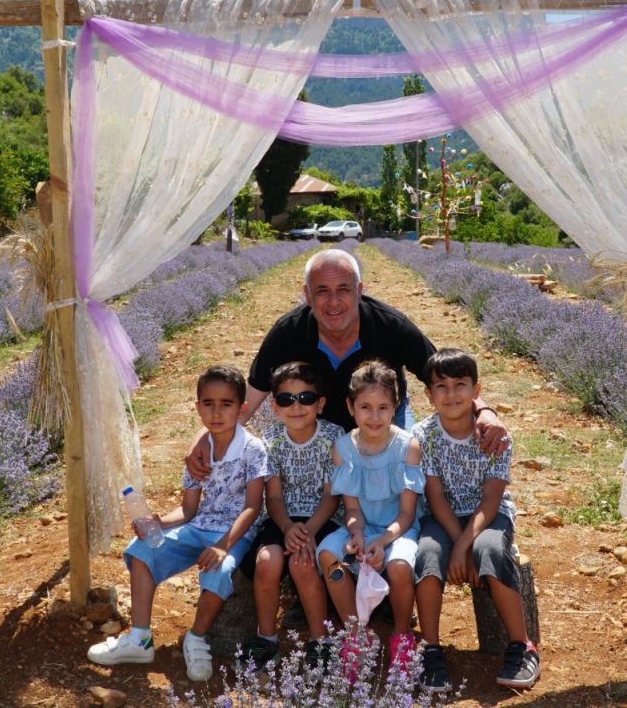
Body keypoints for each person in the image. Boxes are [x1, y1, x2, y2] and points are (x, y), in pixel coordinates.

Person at [187, 249, 508, 479]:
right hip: (315, 422)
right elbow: (250, 398)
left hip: (381, 415)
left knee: (405, 469)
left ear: (359, 291)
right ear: (307, 296)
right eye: (322, 291)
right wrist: (204, 436)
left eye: (343, 289)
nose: (334, 301)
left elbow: (444, 378)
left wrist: (486, 411)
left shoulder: (389, 326)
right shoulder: (289, 332)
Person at [87, 365, 267, 682]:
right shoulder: (199, 453)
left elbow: (253, 507)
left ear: (241, 408)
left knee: (219, 569)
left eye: (226, 404)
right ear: (197, 408)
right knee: (141, 549)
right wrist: (159, 520)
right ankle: (140, 638)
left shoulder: (253, 449)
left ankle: (196, 637)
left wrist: (223, 546)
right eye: (208, 403)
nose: (216, 412)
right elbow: (188, 509)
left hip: (234, 533)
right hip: (199, 526)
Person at [412, 348, 540, 692]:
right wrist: (456, 546)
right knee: (427, 555)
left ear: (477, 389)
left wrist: (465, 545)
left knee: (491, 551)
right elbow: (435, 496)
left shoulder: (494, 435)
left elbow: (491, 499)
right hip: (443, 516)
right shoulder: (425, 436)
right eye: (441, 386)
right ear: (428, 394)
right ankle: (432, 649)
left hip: (490, 515)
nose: (451, 394)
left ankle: (522, 645)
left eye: (460, 385)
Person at [315, 361, 424, 679]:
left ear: (396, 407)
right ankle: (355, 634)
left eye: (383, 407)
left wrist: (381, 540)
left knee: (400, 566)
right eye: (365, 407)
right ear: (350, 407)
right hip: (364, 527)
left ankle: (402, 636)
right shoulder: (344, 448)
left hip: (397, 529)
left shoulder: (407, 446)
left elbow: (406, 514)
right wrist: (356, 534)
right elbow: (351, 509)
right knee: (329, 555)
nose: (374, 417)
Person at [236, 361, 343, 669]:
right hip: (282, 519)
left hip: (322, 519)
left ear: (320, 404)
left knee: (303, 561)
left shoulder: (333, 438)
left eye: (306, 398)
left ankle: (319, 641)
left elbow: (331, 496)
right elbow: (275, 496)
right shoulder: (271, 440)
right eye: (286, 399)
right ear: (274, 406)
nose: (296, 407)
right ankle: (266, 639)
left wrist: (307, 531)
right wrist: (287, 527)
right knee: (267, 562)